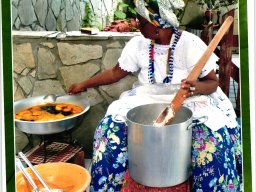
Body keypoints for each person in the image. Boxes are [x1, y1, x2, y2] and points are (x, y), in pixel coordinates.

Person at [68, 0, 242, 191]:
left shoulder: (189, 44)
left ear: (157, 26)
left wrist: (196, 87)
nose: (138, 26)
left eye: (142, 23)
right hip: (146, 98)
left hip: (190, 100)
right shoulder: (139, 44)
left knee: (211, 143)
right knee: (108, 131)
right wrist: (83, 84)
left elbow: (212, 83)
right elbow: (115, 73)